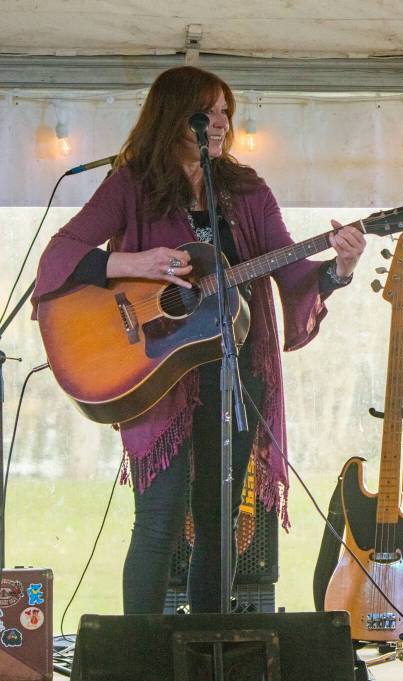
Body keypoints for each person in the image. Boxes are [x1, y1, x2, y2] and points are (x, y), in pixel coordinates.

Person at [32, 66, 366, 614]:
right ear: (173, 116)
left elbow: (293, 275)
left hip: (232, 371)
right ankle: (140, 658)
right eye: (206, 112)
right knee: (159, 516)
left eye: (225, 112)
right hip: (154, 371)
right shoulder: (132, 185)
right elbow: (58, 257)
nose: (220, 122)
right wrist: (131, 261)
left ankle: (208, 651)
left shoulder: (248, 191)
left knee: (219, 520)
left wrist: (340, 268)